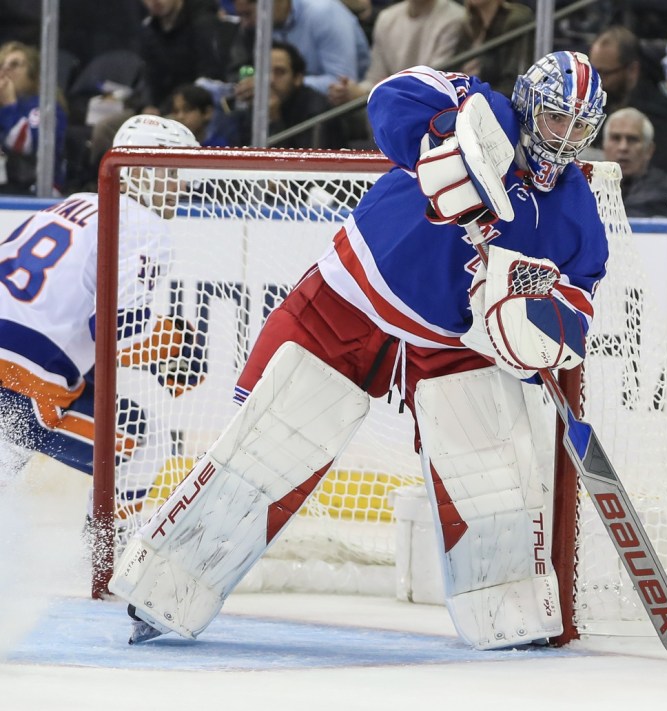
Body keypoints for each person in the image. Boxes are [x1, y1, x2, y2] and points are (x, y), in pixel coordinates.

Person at [109, 52, 610, 653]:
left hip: (453, 337)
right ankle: (165, 588)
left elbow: (574, 313)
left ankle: (511, 616)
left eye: (581, 127)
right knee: (273, 444)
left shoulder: (578, 212)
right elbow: (389, 98)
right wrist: (442, 141)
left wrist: (528, 320)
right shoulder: (479, 109)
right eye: (557, 119)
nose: (566, 137)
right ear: (529, 103)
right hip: (357, 291)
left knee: (492, 471)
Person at [0, 114, 202, 524]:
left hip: (15, 370)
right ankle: (109, 558)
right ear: (144, 170)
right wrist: (175, 345)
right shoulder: (144, 224)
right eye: (175, 171)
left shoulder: (73, 203)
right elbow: (115, 331)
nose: (183, 186)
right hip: (19, 386)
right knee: (146, 438)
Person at [587, 25, 667, 175]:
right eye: (592, 71)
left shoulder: (658, 114)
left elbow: (661, 171)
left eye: (604, 73)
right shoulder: (596, 101)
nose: (596, 81)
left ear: (632, 70)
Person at [327, 0, 465, 105]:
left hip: (430, 104)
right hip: (390, 101)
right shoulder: (386, 18)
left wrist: (369, 92)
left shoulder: (454, 18)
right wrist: (354, 90)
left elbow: (432, 82)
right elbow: (375, 77)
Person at [229, 0, 370, 100]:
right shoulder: (260, 27)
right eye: (240, 15)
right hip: (295, 99)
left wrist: (280, 84)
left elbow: (341, 84)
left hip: (348, 104)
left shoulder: (322, 13)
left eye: (247, 14)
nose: (245, 24)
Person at [236, 42, 346, 148]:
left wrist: (274, 121)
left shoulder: (316, 111)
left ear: (298, 78)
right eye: (264, 71)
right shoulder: (256, 102)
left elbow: (304, 163)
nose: (270, 80)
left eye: (279, 72)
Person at [138, 0, 235, 113]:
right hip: (160, 108)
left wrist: (166, 109)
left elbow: (208, 77)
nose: (154, 1)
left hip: (193, 109)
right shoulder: (150, 28)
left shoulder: (203, 21)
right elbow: (149, 76)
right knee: (115, 125)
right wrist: (148, 105)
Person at [0, 41, 68, 195]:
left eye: (15, 64)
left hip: (39, 190)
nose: (5, 70)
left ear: (33, 74)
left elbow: (24, 145)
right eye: (2, 65)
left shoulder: (46, 107)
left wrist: (9, 103)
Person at [603, 107, 667, 218]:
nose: (623, 147)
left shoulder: (666, 189)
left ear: (649, 150)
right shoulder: (586, 184)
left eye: (632, 139)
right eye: (615, 138)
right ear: (603, 146)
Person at [459, 0, 534, 96]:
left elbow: (515, 83)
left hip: (498, 103)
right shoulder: (469, 24)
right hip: (473, 101)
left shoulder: (517, 21)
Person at [167, 83, 240, 147]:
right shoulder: (168, 146)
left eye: (187, 110)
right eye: (176, 111)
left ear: (207, 112)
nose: (180, 117)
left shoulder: (220, 148)